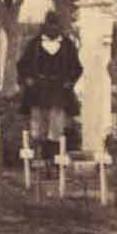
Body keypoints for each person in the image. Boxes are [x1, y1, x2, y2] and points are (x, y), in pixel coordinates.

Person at [15, 10, 82, 165]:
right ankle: (39, 159)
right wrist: (28, 80)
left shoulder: (67, 45)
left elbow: (77, 67)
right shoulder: (34, 44)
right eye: (49, 25)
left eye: (55, 25)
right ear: (44, 26)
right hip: (38, 92)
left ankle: (53, 160)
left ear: (59, 26)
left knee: (56, 127)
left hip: (59, 92)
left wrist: (69, 81)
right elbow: (22, 65)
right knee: (38, 127)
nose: (52, 29)